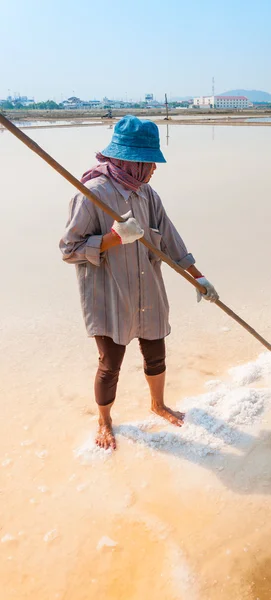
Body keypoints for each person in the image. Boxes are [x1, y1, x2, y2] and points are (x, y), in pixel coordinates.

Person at [60, 115, 218, 450]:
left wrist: (198, 277)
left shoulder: (147, 194)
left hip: (149, 291)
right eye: (150, 162)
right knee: (110, 364)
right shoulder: (93, 195)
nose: (155, 169)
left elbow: (173, 242)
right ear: (131, 161)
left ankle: (158, 405)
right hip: (110, 294)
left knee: (156, 353)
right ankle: (104, 423)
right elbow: (69, 249)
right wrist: (112, 239)